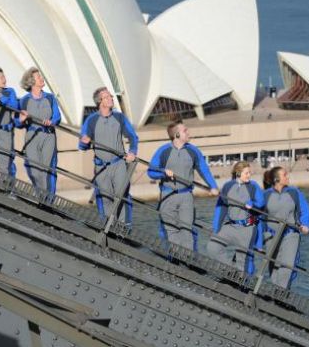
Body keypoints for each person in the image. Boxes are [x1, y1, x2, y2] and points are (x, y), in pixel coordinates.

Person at [147, 121, 219, 250]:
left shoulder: (193, 151)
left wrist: (213, 186)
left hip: (187, 196)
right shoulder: (163, 150)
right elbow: (151, 172)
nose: (188, 132)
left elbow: (204, 169)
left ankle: (188, 263)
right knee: (171, 231)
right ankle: (175, 262)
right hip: (167, 195)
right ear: (177, 134)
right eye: (185, 130)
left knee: (187, 230)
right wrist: (163, 173)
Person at [79, 87, 138, 225]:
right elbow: (82, 145)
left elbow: (133, 137)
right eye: (107, 97)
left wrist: (132, 152)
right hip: (101, 167)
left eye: (110, 96)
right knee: (105, 199)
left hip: (119, 164)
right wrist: (84, 142)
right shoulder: (91, 120)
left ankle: (124, 229)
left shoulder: (119, 117)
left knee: (122, 197)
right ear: (100, 101)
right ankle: (108, 229)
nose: (111, 98)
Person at [208, 161, 265, 275]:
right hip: (231, 226)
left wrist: (252, 204)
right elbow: (221, 208)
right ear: (238, 173)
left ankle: (243, 284)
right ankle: (231, 270)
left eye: (250, 173)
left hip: (247, 228)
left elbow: (261, 202)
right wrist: (216, 228)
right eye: (246, 173)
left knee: (243, 260)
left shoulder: (253, 186)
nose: (249, 175)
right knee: (212, 247)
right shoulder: (228, 186)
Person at [262, 166, 309, 289]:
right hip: (270, 235)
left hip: (291, 233)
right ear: (276, 179)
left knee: (287, 266)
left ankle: (281, 294)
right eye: (285, 175)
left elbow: (305, 210)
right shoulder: (265, 195)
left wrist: (305, 224)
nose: (288, 177)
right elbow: (258, 214)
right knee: (273, 267)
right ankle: (275, 294)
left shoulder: (294, 192)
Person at [16, 67, 61, 197]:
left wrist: (51, 121)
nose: (42, 78)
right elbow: (18, 123)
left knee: (48, 170)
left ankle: (48, 201)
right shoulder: (24, 100)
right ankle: (41, 196)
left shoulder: (50, 97)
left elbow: (57, 116)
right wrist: (21, 120)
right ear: (31, 82)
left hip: (48, 136)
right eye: (38, 77)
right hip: (32, 136)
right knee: (34, 170)